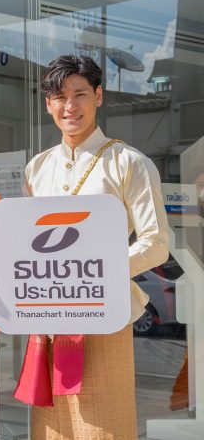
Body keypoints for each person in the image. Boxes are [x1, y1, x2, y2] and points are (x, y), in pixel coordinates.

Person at [17, 54, 170, 439]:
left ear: (99, 96)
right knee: (52, 429)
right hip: (49, 319)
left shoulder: (129, 162)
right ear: (48, 104)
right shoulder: (37, 168)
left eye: (80, 94)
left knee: (104, 426)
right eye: (59, 96)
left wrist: (94, 275)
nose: (69, 106)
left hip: (105, 317)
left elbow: (155, 244)